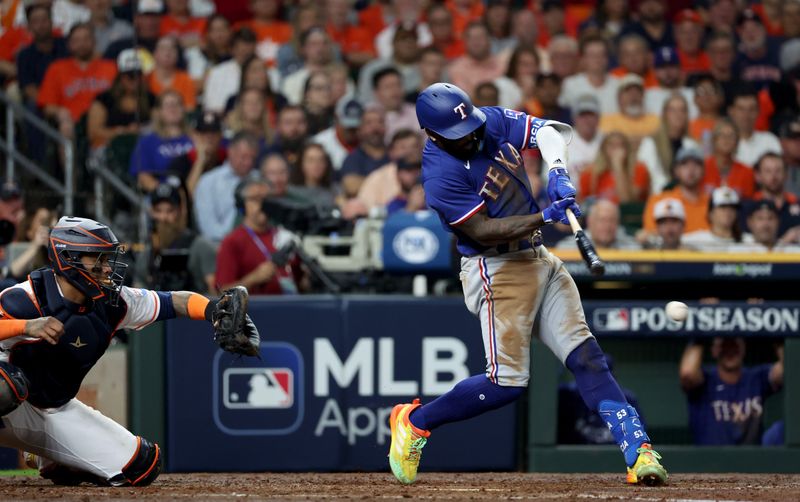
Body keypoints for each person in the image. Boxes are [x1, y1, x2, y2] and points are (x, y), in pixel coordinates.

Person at [387, 83, 667, 487]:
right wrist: (546, 215)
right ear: (432, 135)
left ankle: (637, 450)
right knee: (506, 384)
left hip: (537, 258)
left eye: (470, 127)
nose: (470, 137)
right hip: (496, 267)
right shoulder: (439, 175)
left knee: (587, 357)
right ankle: (414, 422)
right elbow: (481, 230)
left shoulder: (486, 121)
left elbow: (550, 132)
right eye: (456, 135)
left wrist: (557, 172)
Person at [0, 216, 259, 486]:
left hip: (52, 408)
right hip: (9, 402)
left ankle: (50, 456)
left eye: (106, 259)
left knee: (142, 465)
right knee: (6, 386)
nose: (106, 268)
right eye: (97, 259)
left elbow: (175, 301)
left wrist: (213, 311)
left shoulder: (114, 303)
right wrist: (26, 326)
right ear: (68, 258)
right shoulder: (23, 298)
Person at [680, 336, 784, 445]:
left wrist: (779, 336)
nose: (730, 350)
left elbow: (788, 370)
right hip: (710, 459)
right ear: (714, 350)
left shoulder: (756, 378)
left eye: (734, 345)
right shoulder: (705, 380)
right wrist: (699, 335)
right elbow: (688, 374)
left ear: (743, 348)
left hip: (751, 460)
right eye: (724, 346)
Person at [215, 177, 301, 295]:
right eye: (255, 199)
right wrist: (253, 279)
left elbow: (301, 282)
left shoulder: (285, 236)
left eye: (266, 199)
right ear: (242, 205)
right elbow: (222, 293)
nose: (263, 204)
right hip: (256, 310)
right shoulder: (232, 241)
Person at [37, 23, 117, 140]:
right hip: (74, 122)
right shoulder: (57, 68)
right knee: (65, 126)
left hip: (105, 122)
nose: (82, 44)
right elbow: (47, 105)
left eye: (86, 39)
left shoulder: (110, 67)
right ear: (69, 45)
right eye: (77, 40)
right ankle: (69, 159)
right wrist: (61, 112)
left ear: (94, 42)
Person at [136, 182, 217, 294]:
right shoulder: (147, 254)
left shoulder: (201, 247)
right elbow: (138, 296)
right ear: (151, 213)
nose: (163, 218)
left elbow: (216, 293)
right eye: (158, 211)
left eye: (170, 211)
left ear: (180, 212)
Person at [194, 132, 259, 242]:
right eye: (243, 157)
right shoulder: (209, 182)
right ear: (230, 152)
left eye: (252, 158)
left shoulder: (260, 180)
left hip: (257, 242)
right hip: (220, 244)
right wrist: (232, 241)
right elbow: (208, 227)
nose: (248, 162)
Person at [87, 49, 155, 151]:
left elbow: (160, 124)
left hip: (143, 147)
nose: (135, 80)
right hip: (110, 149)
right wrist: (123, 132)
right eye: (130, 76)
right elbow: (93, 132)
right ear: (121, 77)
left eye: (138, 75)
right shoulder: (104, 99)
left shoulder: (151, 98)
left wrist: (141, 130)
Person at [129, 90, 193, 192]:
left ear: (183, 109)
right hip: (161, 197)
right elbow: (143, 176)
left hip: (195, 192)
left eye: (177, 104)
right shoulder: (147, 142)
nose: (173, 109)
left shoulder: (196, 138)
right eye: (167, 105)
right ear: (159, 111)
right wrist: (166, 193)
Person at [637, 93, 701, 195]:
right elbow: (650, 176)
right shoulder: (650, 143)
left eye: (682, 110)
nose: (678, 114)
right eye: (672, 110)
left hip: (688, 196)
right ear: (664, 114)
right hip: (658, 196)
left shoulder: (692, 144)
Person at [641, 147, 710, 236]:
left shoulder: (713, 202)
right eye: (684, 164)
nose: (691, 169)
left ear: (703, 170)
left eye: (696, 164)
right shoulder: (659, 200)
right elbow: (650, 234)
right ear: (676, 170)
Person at [579, 131, 650, 204]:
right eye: (612, 145)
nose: (616, 150)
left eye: (620, 145)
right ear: (603, 149)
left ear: (627, 149)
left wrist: (618, 166)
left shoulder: (639, 169)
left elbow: (627, 202)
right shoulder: (590, 173)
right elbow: (583, 205)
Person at [559, 34, 619, 115]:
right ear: (583, 59)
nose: (597, 59)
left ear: (607, 58)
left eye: (601, 54)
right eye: (592, 55)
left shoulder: (618, 85)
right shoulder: (570, 85)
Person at [681, 187, 752, 251]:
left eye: (732, 207)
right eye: (723, 207)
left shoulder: (750, 241)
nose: (728, 211)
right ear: (711, 213)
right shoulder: (696, 240)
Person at [339, 106, 389, 198]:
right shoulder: (353, 158)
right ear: (360, 130)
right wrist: (389, 183)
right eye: (369, 123)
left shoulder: (395, 154)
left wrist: (364, 182)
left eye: (380, 122)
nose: (375, 127)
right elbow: (352, 187)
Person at [599, 74, 660, 147]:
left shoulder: (655, 121)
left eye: (637, 91)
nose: (633, 96)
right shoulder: (606, 121)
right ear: (619, 97)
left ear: (643, 96)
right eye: (628, 91)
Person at [446, 21, 504, 97]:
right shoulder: (456, 68)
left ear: (489, 40)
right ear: (465, 41)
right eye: (471, 37)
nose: (476, 41)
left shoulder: (502, 65)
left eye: (480, 37)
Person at [555, 199, 640, 250]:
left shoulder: (632, 248)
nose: (607, 226)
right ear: (590, 222)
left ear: (618, 223)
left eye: (611, 220)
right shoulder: (568, 248)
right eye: (602, 220)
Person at [701, 118, 755, 199]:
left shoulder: (747, 172)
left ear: (737, 141)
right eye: (722, 135)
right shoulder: (702, 168)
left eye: (731, 136)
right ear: (714, 140)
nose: (726, 139)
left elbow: (749, 203)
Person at [727, 88, 782, 167]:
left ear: (758, 111)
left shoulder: (770, 141)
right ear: (731, 111)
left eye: (751, 109)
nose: (746, 114)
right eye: (741, 109)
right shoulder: (723, 142)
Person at [311, 95, 363, 172]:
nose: (352, 130)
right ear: (336, 118)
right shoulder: (320, 142)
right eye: (347, 126)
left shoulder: (369, 143)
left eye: (355, 127)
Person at [147, 36, 196, 111]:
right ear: (155, 54)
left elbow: (189, 109)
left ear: (177, 55)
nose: (167, 52)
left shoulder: (186, 79)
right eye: (163, 48)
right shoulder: (146, 79)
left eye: (172, 49)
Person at [567, 95, 603, 181]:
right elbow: (548, 179)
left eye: (591, 114)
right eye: (582, 115)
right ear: (574, 118)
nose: (587, 119)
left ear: (598, 118)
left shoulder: (607, 141)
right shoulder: (559, 141)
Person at [262, 104, 308, 169]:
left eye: (300, 122)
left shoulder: (315, 153)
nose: (294, 128)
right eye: (288, 123)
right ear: (278, 126)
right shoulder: (267, 154)